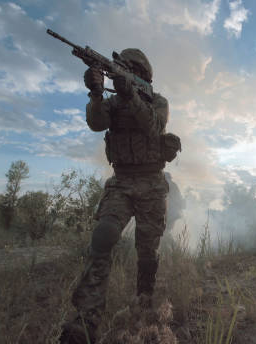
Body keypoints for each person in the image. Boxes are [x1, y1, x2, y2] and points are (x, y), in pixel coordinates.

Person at [60, 48, 178, 343]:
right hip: (122, 182)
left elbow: (154, 127)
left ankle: (143, 300)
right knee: (103, 236)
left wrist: (131, 96)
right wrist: (96, 93)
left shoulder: (158, 101)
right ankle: (85, 320)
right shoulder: (113, 102)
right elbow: (97, 123)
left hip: (152, 182)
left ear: (140, 74)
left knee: (147, 250)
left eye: (124, 69)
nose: (118, 72)